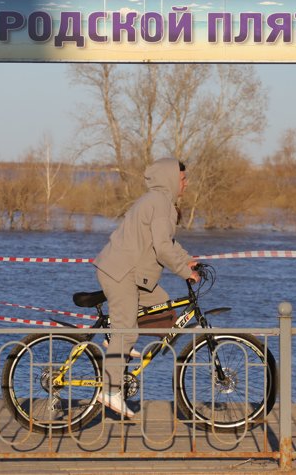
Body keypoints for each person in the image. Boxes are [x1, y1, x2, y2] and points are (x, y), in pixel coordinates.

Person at [94, 157, 199, 418]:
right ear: (171, 179)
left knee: (164, 313)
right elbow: (162, 248)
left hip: (135, 275)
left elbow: (166, 243)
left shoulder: (157, 201)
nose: (186, 184)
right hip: (122, 272)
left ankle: (115, 338)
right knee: (126, 330)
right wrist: (186, 273)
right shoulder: (160, 203)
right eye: (183, 179)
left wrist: (187, 259)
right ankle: (111, 389)